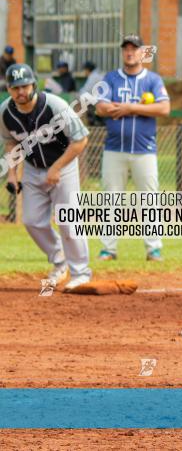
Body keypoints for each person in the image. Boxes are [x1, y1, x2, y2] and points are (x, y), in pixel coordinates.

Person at [1, 63, 92, 292]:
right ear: (9, 89)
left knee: (68, 221)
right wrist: (12, 173)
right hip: (32, 168)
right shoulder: (5, 112)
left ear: (34, 84)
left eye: (24, 85)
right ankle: (60, 262)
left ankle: (81, 273)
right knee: (32, 220)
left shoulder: (55, 106)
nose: (20, 91)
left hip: (64, 165)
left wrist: (57, 168)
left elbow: (80, 140)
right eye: (15, 87)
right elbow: (11, 141)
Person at [94, 35, 170, 262]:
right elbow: (100, 107)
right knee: (110, 200)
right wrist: (128, 108)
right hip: (114, 148)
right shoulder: (111, 78)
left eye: (134, 49)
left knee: (149, 200)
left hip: (145, 148)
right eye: (126, 48)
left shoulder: (153, 80)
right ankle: (108, 249)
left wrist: (129, 107)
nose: (130, 52)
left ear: (142, 52)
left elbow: (164, 108)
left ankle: (153, 249)